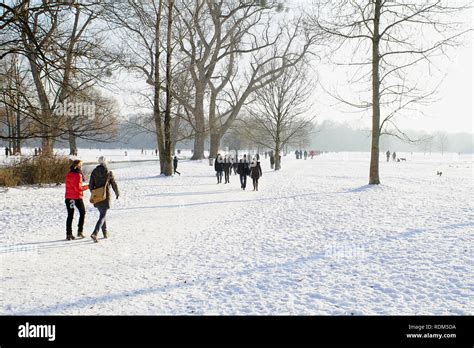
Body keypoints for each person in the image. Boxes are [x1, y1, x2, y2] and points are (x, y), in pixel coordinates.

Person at [89, 156, 119, 242]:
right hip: (105, 197)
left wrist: (94, 193)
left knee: (102, 214)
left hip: (97, 197)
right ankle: (95, 233)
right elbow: (114, 184)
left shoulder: (94, 172)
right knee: (102, 216)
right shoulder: (109, 172)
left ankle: (105, 233)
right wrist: (117, 193)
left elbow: (90, 185)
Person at [65, 160, 89, 240]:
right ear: (79, 166)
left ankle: (69, 234)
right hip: (77, 197)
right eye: (81, 165)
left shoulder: (68, 174)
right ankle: (80, 231)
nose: (82, 167)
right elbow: (78, 189)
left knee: (70, 216)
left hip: (68, 198)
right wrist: (88, 186)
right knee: (82, 212)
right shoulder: (78, 175)